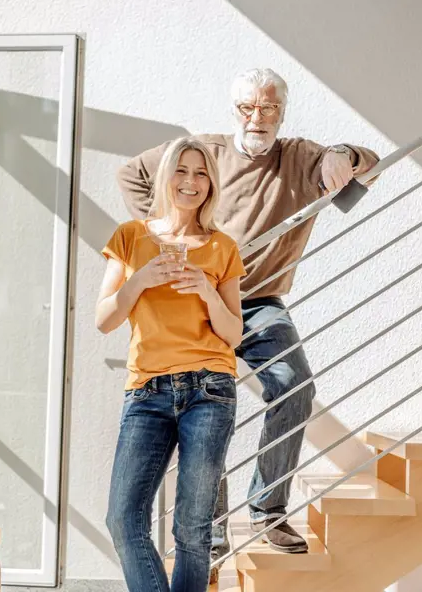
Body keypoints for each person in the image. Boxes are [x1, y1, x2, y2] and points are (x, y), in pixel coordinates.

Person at [116, 68, 379, 574]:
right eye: (247, 108)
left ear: (282, 111)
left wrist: (344, 154)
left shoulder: (301, 157)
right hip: (198, 298)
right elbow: (131, 173)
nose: (257, 118)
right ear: (234, 109)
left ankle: (267, 510)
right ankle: (209, 533)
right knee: (204, 406)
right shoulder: (203, 153)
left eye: (268, 108)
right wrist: (167, 232)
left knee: (293, 385)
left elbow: (370, 164)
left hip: (258, 302)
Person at [97, 137, 246, 592]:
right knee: (124, 518)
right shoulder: (130, 236)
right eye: (182, 171)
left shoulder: (223, 248)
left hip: (210, 390)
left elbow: (234, 333)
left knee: (193, 528)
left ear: (211, 184)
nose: (191, 182)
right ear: (166, 177)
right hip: (147, 391)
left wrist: (205, 289)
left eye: (201, 173)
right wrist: (139, 280)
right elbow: (104, 318)